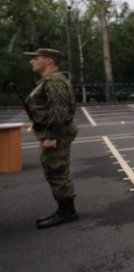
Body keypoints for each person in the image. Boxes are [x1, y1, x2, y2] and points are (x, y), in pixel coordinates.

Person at [24, 48, 80, 229]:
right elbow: (48, 110)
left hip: (57, 134)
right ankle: (64, 209)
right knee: (55, 170)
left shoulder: (54, 82)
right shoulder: (50, 81)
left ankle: (67, 211)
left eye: (35, 58)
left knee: (57, 170)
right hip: (55, 132)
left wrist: (51, 136)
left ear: (49, 61)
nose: (31, 62)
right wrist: (37, 123)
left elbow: (60, 112)